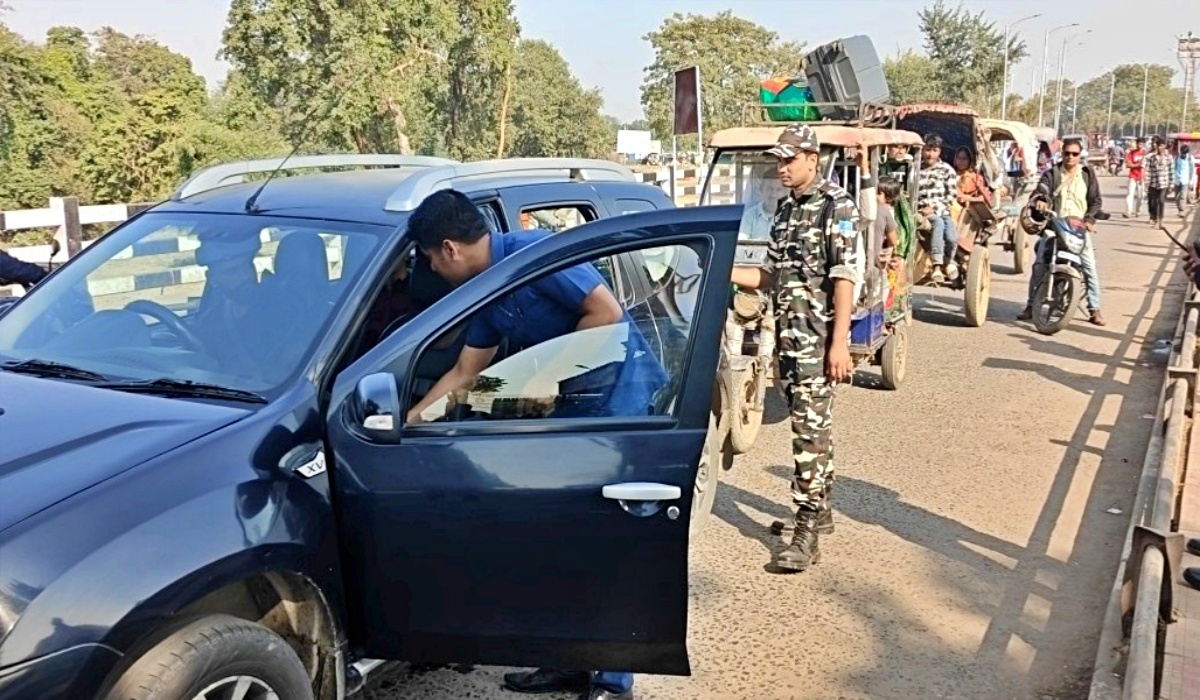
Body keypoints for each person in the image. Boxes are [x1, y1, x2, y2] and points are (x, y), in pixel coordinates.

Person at [403, 189, 664, 700]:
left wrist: (545, 374)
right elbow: (467, 372)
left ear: (450, 248)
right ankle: (565, 661)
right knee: (558, 540)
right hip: (566, 415)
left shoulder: (534, 253)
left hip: (616, 406)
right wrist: (411, 420)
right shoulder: (485, 289)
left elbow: (604, 312)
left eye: (430, 258)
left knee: (604, 545)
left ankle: (612, 680)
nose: (431, 269)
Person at [728, 124, 862, 573]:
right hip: (788, 340)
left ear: (812, 159)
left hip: (818, 342)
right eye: (779, 161)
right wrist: (725, 269)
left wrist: (839, 343)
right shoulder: (786, 210)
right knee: (814, 428)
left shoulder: (836, 206)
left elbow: (844, 276)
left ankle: (806, 532)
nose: (781, 168)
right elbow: (769, 275)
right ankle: (821, 511)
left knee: (808, 434)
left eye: (789, 160)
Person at [1018, 137, 1106, 327]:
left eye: (1075, 154)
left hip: (1079, 229)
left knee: (1089, 268)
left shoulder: (1087, 174)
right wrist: (1041, 200)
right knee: (1040, 264)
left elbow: (1096, 201)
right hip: (1055, 227)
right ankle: (1031, 305)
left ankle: (1094, 309)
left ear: (1080, 155)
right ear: (1062, 153)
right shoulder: (1052, 174)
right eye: (1067, 153)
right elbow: (1041, 190)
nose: (1070, 157)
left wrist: (1089, 220)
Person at [916, 134, 960, 283]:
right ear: (922, 150)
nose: (930, 154)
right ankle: (937, 265)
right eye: (927, 150)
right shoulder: (915, 169)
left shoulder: (947, 170)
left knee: (951, 238)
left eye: (934, 150)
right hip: (922, 212)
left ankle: (949, 262)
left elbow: (951, 195)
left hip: (942, 211)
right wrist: (924, 209)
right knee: (938, 223)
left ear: (939, 152)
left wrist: (934, 208)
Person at [1144, 137, 1175, 229]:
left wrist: (1171, 185)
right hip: (1153, 183)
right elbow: (1148, 170)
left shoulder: (1169, 158)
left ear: (1164, 146)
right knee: (1154, 202)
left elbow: (1171, 171)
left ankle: (1161, 220)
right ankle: (1156, 219)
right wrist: (1146, 183)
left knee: (1161, 201)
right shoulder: (1152, 158)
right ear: (1156, 147)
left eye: (1162, 145)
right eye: (1159, 146)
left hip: (1164, 183)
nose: (1160, 147)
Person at [1124, 137, 1147, 219]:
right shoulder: (1132, 153)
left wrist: (1142, 176)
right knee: (1130, 194)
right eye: (1138, 144)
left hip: (1141, 177)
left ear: (1143, 144)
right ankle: (1128, 211)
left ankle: (1138, 210)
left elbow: (1145, 166)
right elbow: (1128, 164)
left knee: (1141, 195)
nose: (1139, 145)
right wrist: (1137, 165)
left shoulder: (1145, 154)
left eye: (1141, 144)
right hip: (1132, 176)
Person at [1174, 144, 1196, 213]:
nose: (1183, 154)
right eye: (1182, 152)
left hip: (1185, 180)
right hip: (1177, 180)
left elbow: (1192, 170)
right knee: (1176, 197)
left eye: (1185, 153)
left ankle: (1182, 210)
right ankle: (1179, 208)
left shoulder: (1190, 158)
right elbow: (1174, 168)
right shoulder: (1177, 157)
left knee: (1183, 196)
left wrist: (1191, 181)